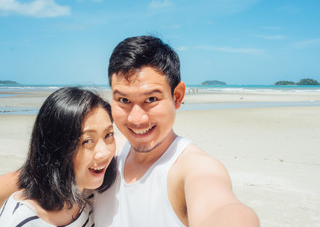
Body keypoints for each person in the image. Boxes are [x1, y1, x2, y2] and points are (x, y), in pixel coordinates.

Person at [93, 36, 260, 226]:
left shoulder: (192, 167)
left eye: (151, 99)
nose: (136, 119)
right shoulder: (107, 155)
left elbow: (223, 208)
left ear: (178, 96)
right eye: (124, 100)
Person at [0, 87, 117, 226]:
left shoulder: (88, 195)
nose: (104, 153)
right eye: (87, 141)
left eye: (108, 135)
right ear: (57, 148)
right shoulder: (22, 220)